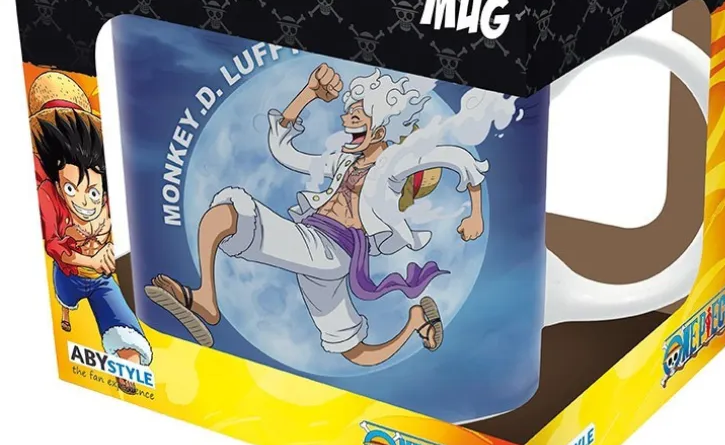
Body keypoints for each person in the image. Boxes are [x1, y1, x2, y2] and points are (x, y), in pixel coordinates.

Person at [147, 64, 487, 366]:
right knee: (354, 350)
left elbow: (458, 158)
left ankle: (206, 298)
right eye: (348, 113)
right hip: (321, 251)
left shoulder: (394, 165)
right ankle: (414, 323)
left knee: (226, 215)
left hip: (330, 248)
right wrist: (307, 93)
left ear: (381, 130)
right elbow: (283, 151)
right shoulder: (342, 160)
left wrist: (476, 215)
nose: (346, 120)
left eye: (357, 117)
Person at [29, 72, 152, 393]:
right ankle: (66, 313)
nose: (84, 200)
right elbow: (54, 246)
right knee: (65, 297)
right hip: (70, 272)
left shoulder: (109, 178)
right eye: (71, 188)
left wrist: (110, 245)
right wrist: (90, 258)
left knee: (120, 319)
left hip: (101, 278)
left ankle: (128, 365)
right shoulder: (48, 192)